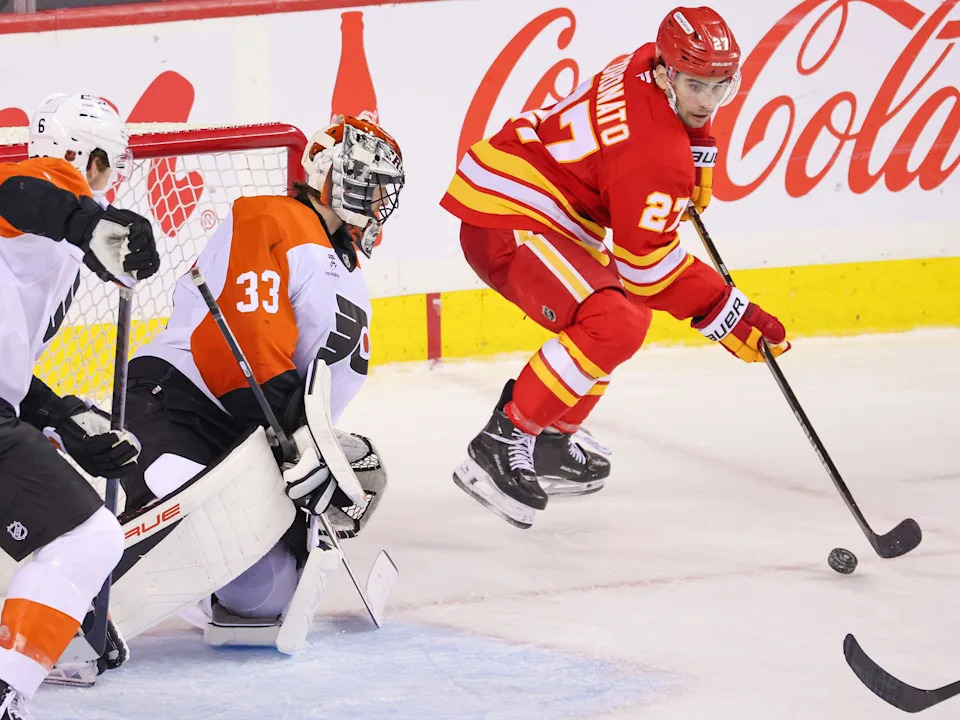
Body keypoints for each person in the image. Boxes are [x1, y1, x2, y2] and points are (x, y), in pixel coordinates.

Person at [440, 7, 790, 529]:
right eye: (696, 86)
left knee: (627, 316)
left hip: (533, 198)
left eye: (722, 87)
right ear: (670, 73)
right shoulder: (653, 153)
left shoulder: (644, 62)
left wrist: (695, 150)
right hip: (509, 217)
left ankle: (552, 440)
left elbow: (650, 145)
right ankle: (505, 438)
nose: (708, 101)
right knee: (617, 318)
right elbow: (647, 267)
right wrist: (728, 311)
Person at [101, 114, 404, 650]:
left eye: (383, 188)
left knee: (262, 599)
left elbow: (319, 387)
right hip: (179, 403)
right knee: (188, 515)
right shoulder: (271, 216)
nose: (378, 197)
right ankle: (60, 573)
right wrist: (299, 439)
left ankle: (189, 578)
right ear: (330, 173)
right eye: (367, 179)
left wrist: (329, 454)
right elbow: (241, 340)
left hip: (254, 438)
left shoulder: (350, 272)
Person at [0, 93, 160, 718]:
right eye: (107, 165)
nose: (107, 181)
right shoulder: (45, 185)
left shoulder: (39, 247)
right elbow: (17, 193)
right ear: (87, 157)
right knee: (88, 538)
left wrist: (58, 414)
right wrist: (88, 221)